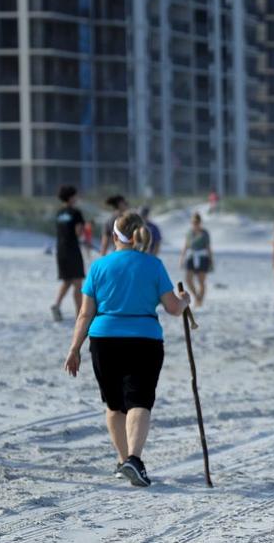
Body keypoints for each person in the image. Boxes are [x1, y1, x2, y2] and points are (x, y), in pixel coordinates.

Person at [63, 210, 190, 486]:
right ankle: (134, 458)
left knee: (114, 405)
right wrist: (185, 300)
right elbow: (172, 308)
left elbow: (85, 314)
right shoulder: (153, 265)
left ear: (113, 236)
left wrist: (74, 348)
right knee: (140, 401)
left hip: (104, 340)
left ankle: (124, 461)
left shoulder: (99, 266)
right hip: (144, 339)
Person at [51, 185, 86, 322]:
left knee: (67, 280)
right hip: (72, 250)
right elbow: (78, 233)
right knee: (78, 282)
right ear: (71, 197)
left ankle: (56, 304)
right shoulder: (76, 213)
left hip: (60, 250)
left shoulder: (59, 213)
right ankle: (79, 314)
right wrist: (84, 228)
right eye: (76, 195)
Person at [180, 212, 213, 307]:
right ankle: (197, 297)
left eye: (197, 222)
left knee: (201, 281)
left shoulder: (204, 233)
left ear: (200, 222)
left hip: (202, 257)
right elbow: (185, 246)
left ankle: (200, 301)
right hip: (191, 256)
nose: (195, 224)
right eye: (194, 222)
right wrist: (182, 258)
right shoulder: (189, 232)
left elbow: (208, 247)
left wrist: (211, 260)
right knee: (188, 279)